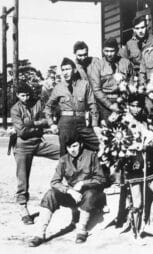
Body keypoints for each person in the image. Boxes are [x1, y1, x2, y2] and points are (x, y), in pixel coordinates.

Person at [28, 135, 107, 246]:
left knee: (90, 194)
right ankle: (40, 234)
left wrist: (83, 183)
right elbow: (54, 182)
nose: (72, 150)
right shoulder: (64, 160)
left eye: (75, 146)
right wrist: (69, 191)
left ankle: (82, 230)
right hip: (73, 194)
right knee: (50, 194)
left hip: (90, 194)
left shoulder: (91, 156)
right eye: (69, 147)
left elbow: (101, 179)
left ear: (81, 145)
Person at [11, 83, 60, 225]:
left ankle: (69, 192)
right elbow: (22, 132)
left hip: (38, 143)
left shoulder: (38, 103)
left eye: (27, 95)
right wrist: (39, 126)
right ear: (17, 95)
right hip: (22, 146)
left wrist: (31, 123)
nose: (25, 98)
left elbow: (48, 119)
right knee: (23, 178)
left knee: (63, 152)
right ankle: (23, 209)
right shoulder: (15, 109)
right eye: (22, 95)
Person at [122, 93, 153, 238]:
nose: (135, 109)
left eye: (138, 106)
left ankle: (150, 224)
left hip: (149, 163)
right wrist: (134, 147)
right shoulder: (123, 122)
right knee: (137, 203)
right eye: (132, 106)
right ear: (128, 106)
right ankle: (136, 233)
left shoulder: (146, 121)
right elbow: (119, 145)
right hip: (133, 165)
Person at [44, 57, 100, 156]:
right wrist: (51, 123)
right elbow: (48, 107)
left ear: (74, 70)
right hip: (66, 123)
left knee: (99, 145)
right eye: (63, 70)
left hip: (82, 123)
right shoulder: (58, 87)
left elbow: (92, 104)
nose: (65, 72)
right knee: (65, 154)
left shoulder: (84, 84)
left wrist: (95, 124)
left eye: (68, 69)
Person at [89, 38, 133, 121]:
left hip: (123, 102)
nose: (109, 54)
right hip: (105, 104)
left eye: (112, 51)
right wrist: (110, 105)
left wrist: (122, 99)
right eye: (106, 51)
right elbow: (96, 89)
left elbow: (131, 84)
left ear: (117, 50)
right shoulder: (97, 65)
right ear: (102, 50)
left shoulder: (126, 63)